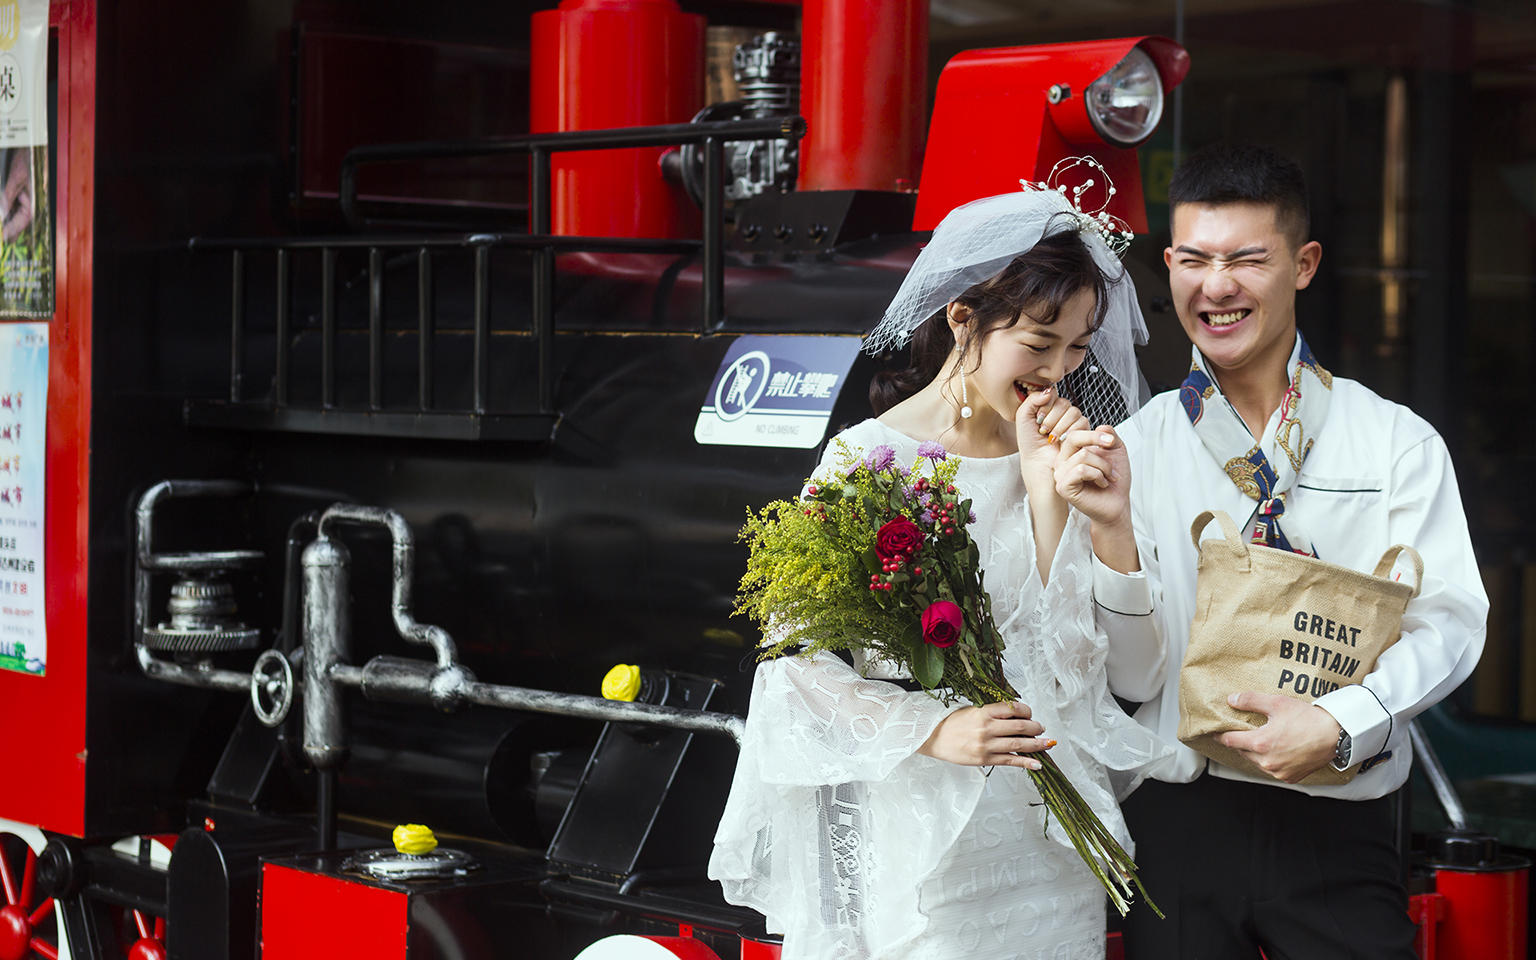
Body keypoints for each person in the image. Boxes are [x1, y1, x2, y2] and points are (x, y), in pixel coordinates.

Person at [710, 186, 1170, 960]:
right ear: (962, 319)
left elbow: (1075, 661)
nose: (1057, 371)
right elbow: (795, 664)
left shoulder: (1065, 456)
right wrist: (933, 728)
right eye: (1040, 341)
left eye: (1078, 348)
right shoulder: (867, 461)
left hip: (1046, 840)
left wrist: (1051, 496)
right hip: (925, 827)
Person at [1086, 143, 1489, 959]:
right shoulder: (1134, 448)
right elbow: (1134, 678)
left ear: (1303, 265)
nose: (1216, 286)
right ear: (1169, 266)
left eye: (1246, 260)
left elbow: (1448, 622)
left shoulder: (1396, 442)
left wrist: (1340, 721)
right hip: (1179, 815)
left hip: (1339, 817)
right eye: (1194, 260)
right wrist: (1111, 537)